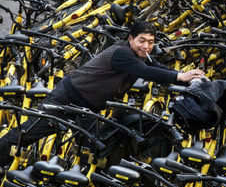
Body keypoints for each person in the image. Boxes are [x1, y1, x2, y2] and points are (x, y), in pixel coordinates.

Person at [0, 20, 205, 166]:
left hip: (87, 107)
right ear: (131, 38)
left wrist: (184, 75)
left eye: (151, 42)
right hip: (67, 98)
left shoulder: (140, 55)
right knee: (26, 135)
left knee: (94, 147)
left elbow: (157, 67)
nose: (147, 46)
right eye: (142, 40)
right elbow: (145, 72)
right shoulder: (122, 54)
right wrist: (179, 78)